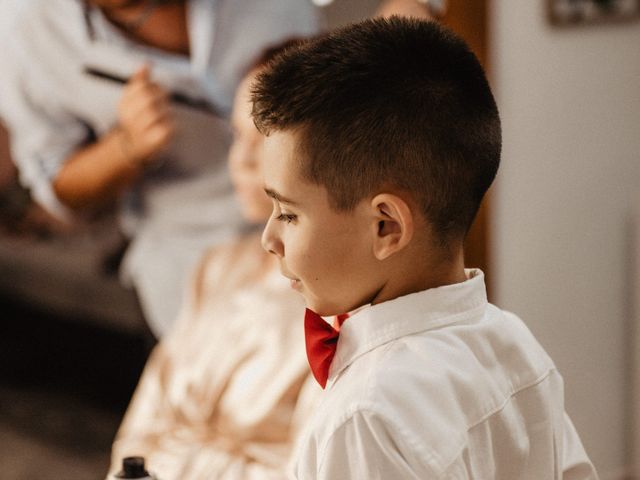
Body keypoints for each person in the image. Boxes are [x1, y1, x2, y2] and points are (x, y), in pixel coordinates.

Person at [252, 17, 599, 479]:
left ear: (386, 227)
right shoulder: (512, 342)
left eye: (288, 214)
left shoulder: (367, 415)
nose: (268, 238)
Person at [0, 0, 320, 336]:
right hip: (194, 266)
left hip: (326, 219)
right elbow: (56, 187)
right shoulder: (24, 34)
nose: (245, 159)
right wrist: (125, 148)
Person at [107, 44, 322, 479]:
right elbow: (140, 429)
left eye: (261, 140)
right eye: (235, 136)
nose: (239, 160)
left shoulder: (341, 304)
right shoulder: (218, 267)